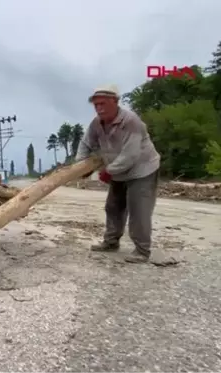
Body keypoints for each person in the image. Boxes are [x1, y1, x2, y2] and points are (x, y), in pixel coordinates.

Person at [76, 85, 161, 263]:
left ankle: (142, 251)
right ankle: (111, 242)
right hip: (118, 170)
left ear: (115, 102)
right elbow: (85, 144)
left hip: (141, 170)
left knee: (139, 211)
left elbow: (131, 154)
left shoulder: (131, 121)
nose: (99, 108)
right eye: (96, 105)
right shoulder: (96, 123)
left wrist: (109, 171)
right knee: (113, 207)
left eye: (103, 104)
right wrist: (81, 166)